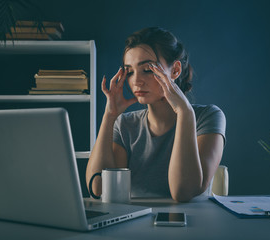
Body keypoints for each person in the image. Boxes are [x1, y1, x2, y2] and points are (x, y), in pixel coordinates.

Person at [86, 27, 226, 202]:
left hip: (192, 223)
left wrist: (185, 113)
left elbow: (182, 192)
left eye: (147, 69)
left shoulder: (208, 116)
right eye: (129, 72)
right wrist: (109, 116)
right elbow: (98, 189)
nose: (136, 81)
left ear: (175, 70)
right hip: (134, 223)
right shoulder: (124, 125)